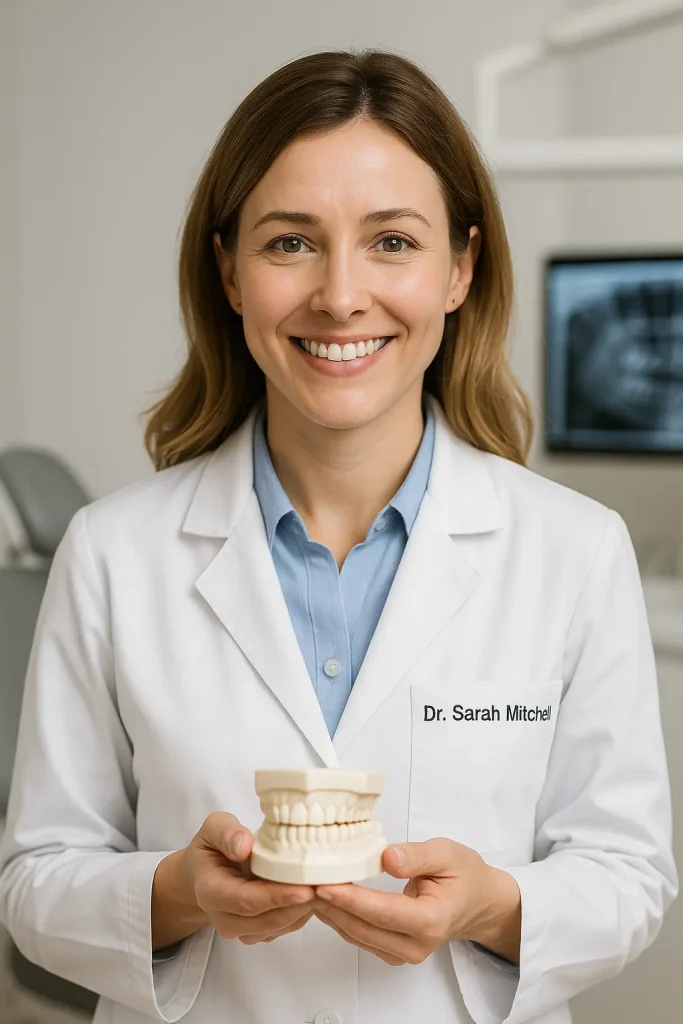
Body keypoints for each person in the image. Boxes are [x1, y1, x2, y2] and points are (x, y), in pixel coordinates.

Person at [0, 47, 677, 1024]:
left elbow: (625, 874)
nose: (340, 294)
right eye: (290, 243)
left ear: (460, 267)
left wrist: (492, 904)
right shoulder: (113, 554)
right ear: (227, 269)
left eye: (392, 241)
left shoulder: (572, 551)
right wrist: (179, 891)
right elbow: (35, 881)